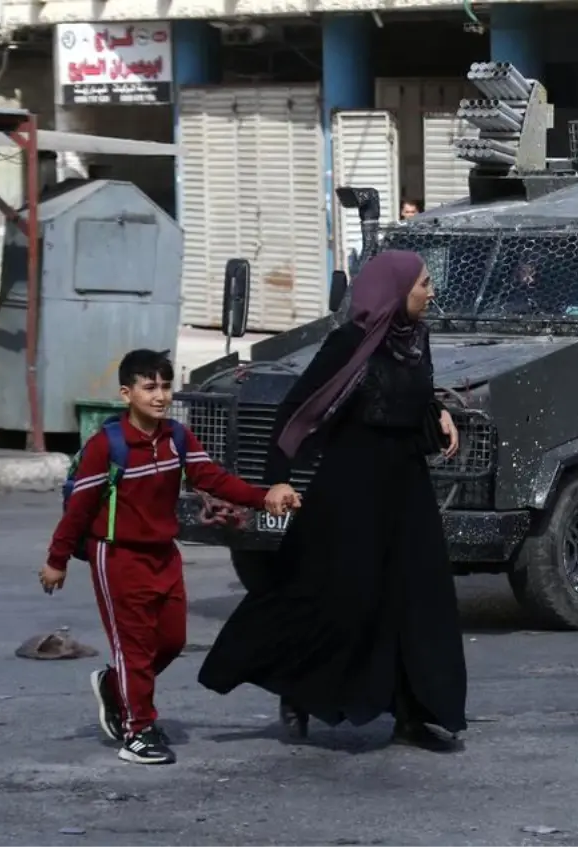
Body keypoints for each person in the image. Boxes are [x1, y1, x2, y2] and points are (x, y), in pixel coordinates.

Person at [198, 250, 469, 752]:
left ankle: (415, 714)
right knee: (334, 597)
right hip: (351, 491)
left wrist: (439, 412)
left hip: (407, 490)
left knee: (418, 598)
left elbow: (412, 394)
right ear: (396, 290)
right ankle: (296, 689)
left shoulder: (417, 340)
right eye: (424, 284)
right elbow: (295, 410)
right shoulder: (348, 345)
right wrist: (276, 482)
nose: (431, 293)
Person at [39, 349, 298, 766]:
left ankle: (114, 685)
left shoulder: (176, 437)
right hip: (118, 558)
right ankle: (137, 732)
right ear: (127, 393)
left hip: (163, 556)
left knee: (172, 640)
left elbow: (213, 478)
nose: (159, 396)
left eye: (164, 386)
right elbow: (80, 509)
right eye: (149, 387)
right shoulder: (107, 446)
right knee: (136, 649)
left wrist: (263, 497)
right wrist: (58, 559)